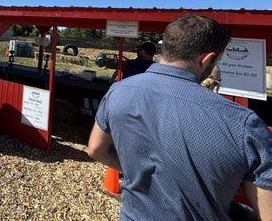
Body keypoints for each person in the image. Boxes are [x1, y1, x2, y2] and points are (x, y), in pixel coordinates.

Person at [87, 15, 272, 221]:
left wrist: (134, 170)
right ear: (207, 59)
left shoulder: (118, 91)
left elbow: (95, 149)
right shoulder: (243, 124)